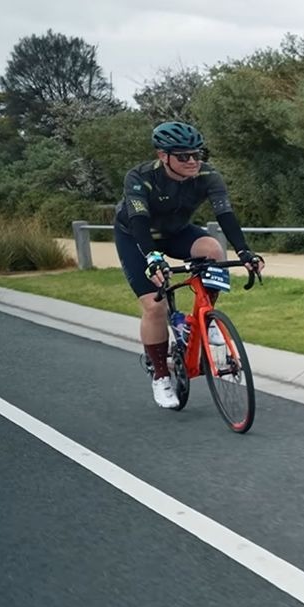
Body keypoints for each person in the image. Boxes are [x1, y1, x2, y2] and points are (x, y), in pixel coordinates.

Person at [115, 121, 265, 408]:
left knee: (212, 249)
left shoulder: (208, 175)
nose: (193, 161)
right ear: (163, 156)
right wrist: (151, 258)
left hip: (176, 233)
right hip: (136, 237)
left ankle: (204, 319)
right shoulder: (139, 177)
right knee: (154, 306)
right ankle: (160, 376)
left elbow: (226, 215)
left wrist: (245, 252)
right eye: (184, 156)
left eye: (198, 154)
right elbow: (139, 221)